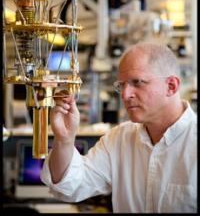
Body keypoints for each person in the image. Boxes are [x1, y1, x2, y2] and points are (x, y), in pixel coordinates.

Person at [41, 41, 197, 213]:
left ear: (171, 86)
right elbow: (70, 187)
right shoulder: (119, 139)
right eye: (121, 85)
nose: (125, 94)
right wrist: (64, 139)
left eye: (137, 82)